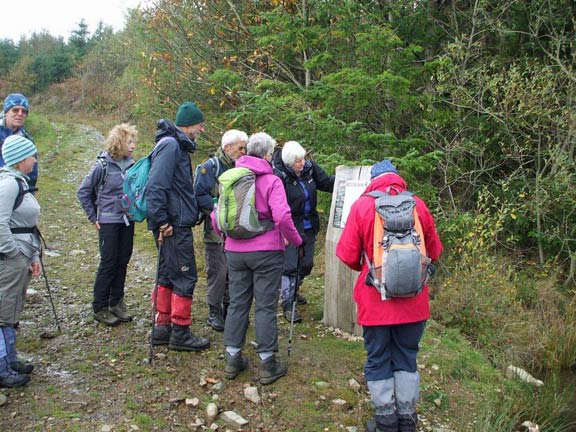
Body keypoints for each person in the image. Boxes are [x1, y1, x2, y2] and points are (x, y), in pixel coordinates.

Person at [336, 160, 442, 432]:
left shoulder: (361, 206)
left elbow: (347, 256)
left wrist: (373, 268)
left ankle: (385, 419)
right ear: (398, 178)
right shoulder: (418, 205)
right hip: (414, 302)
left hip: (376, 301)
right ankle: (407, 418)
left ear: (374, 180)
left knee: (378, 357)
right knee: (407, 355)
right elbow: (435, 251)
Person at [212, 132, 302, 385]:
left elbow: (216, 216)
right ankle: (267, 363)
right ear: (267, 154)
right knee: (264, 305)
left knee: (238, 302)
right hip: (267, 252)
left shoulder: (231, 176)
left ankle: (232, 358)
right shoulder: (272, 181)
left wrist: (226, 237)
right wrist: (295, 241)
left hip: (234, 251)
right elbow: (283, 217)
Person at [147, 101, 210, 352]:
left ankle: (163, 327)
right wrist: (162, 221)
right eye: (199, 125)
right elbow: (156, 185)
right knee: (184, 275)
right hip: (173, 224)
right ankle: (180, 332)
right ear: (189, 125)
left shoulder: (172, 145)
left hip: (172, 222)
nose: (201, 129)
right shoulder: (172, 146)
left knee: (167, 274)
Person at [77, 124, 138, 326]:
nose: (133, 146)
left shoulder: (132, 164)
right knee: (108, 262)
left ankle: (116, 303)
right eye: (129, 142)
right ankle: (100, 306)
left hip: (127, 220)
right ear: (119, 142)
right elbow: (83, 191)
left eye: (133, 142)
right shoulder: (101, 166)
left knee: (123, 260)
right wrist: (93, 217)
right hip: (108, 221)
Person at [272, 140, 334, 323]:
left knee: (306, 265)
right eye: (298, 161)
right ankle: (288, 304)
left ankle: (294, 290)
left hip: (309, 225)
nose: (302, 163)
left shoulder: (309, 169)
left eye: (303, 159)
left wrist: (345, 181)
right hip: (290, 226)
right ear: (289, 163)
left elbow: (327, 183)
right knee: (290, 267)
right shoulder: (280, 176)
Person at [194, 129, 248, 331]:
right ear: (227, 148)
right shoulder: (211, 167)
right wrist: (219, 211)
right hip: (215, 231)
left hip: (237, 231)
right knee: (217, 272)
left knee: (233, 273)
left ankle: (230, 310)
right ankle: (213, 312)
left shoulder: (243, 168)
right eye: (240, 148)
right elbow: (199, 195)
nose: (244, 151)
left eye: (245, 148)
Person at [0, 135, 42, 388]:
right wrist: (13, 252)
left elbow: (28, 225)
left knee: (13, 307)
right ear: (20, 160)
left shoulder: (18, 182)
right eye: (31, 156)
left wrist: (33, 255)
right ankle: (3, 366)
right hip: (11, 258)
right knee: (4, 311)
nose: (35, 160)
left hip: (22, 254)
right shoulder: (9, 185)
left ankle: (10, 358)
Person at [0, 94, 38, 189]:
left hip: (17, 192)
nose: (20, 114)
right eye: (15, 110)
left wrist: (27, 196)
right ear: (6, 112)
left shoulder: (27, 140)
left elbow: (32, 175)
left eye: (24, 111)